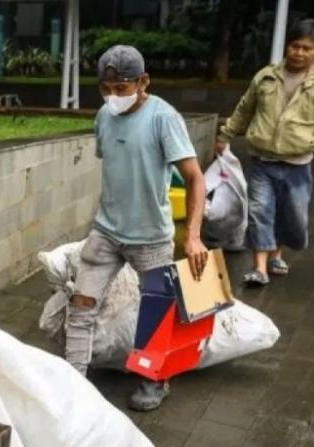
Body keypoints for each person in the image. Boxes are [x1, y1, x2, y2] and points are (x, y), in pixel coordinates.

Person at [66, 45, 208, 412]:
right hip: (107, 231)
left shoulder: (165, 119)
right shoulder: (104, 116)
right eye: (106, 88)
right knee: (81, 304)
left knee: (156, 312)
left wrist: (192, 236)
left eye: (122, 88)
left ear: (143, 82)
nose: (113, 96)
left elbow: (195, 179)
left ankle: (153, 379)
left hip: (151, 239)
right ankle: (69, 383)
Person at [216, 19, 314, 286]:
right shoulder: (266, 76)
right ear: (287, 46)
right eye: (295, 46)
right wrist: (225, 135)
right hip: (262, 162)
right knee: (260, 212)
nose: (299, 53)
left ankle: (276, 254)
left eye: (306, 48)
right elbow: (245, 109)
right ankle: (260, 267)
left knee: (293, 217)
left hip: (298, 165)